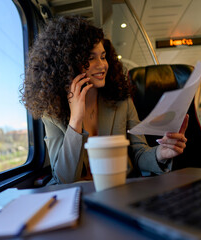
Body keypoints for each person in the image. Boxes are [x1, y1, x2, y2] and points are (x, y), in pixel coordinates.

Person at [21, 16, 188, 184]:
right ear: (68, 63)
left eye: (103, 56)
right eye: (91, 58)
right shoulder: (52, 112)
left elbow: (139, 153)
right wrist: (76, 120)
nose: (102, 65)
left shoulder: (122, 101)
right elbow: (64, 178)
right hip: (78, 195)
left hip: (118, 188)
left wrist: (161, 153)